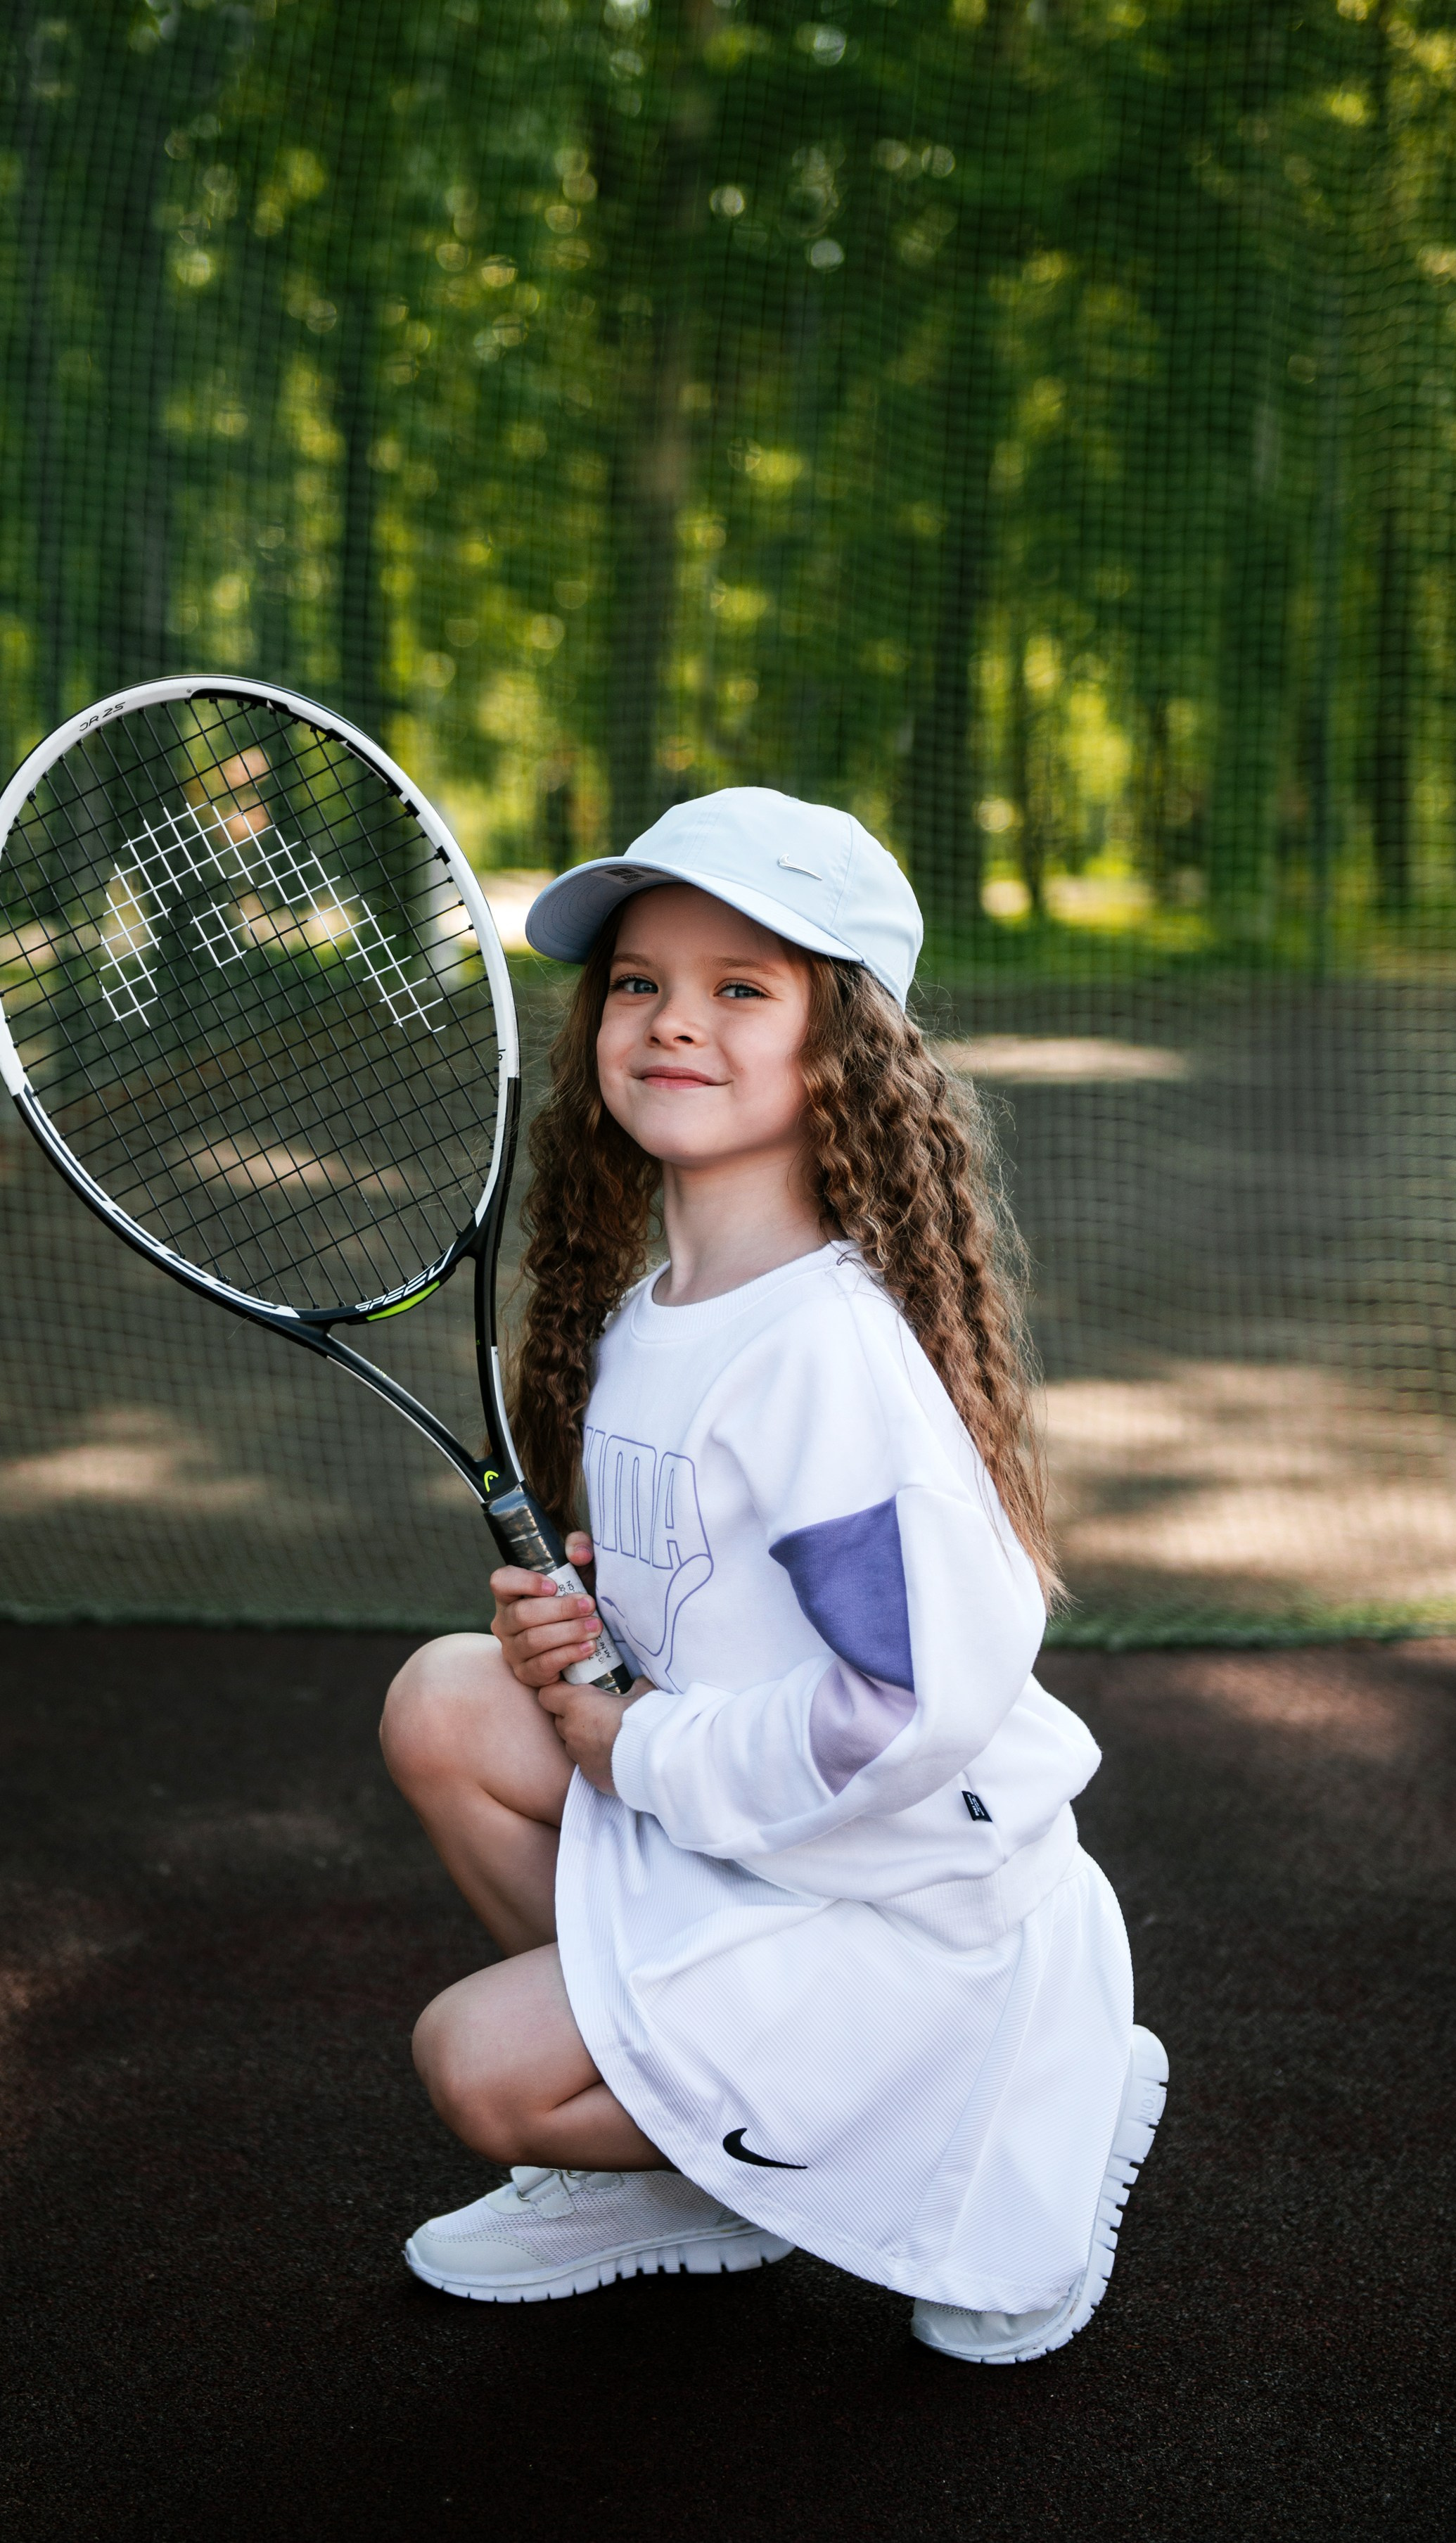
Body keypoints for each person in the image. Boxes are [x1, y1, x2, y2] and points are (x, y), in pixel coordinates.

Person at [380, 787, 1167, 2364]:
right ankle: (702, 2165)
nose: (673, 1020)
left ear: (843, 1047)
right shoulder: (647, 1315)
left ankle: (1017, 2085)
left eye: (741, 986)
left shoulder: (824, 1354)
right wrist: (592, 1638)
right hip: (750, 1842)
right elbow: (717, 1614)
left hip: (904, 1902)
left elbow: (910, 1701)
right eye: (639, 982)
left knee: (477, 2063)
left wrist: (632, 1744)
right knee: (448, 1702)